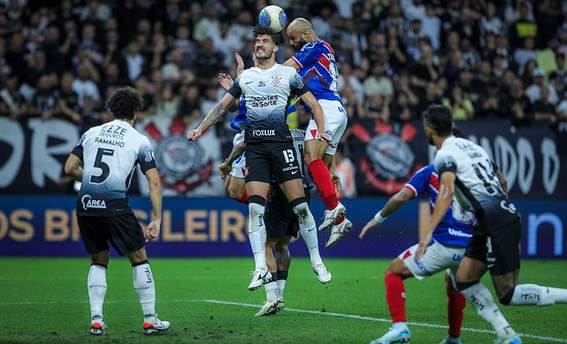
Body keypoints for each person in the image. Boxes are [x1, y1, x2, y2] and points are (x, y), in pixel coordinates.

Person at [188, 27, 332, 290]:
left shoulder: (289, 74)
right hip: (256, 149)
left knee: (300, 207)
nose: (259, 45)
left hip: (282, 146)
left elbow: (315, 105)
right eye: (257, 41)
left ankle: (317, 260)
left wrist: (321, 131)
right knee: (255, 210)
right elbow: (222, 107)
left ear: (275, 48)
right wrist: (200, 128)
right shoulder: (246, 78)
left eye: (265, 41)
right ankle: (259, 269)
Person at [420, 104, 567, 344]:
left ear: (430, 129)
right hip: (498, 217)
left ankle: (513, 332)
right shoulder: (475, 148)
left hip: (493, 222)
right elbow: (503, 182)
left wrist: (428, 233)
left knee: (507, 292)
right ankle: (506, 335)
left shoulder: (444, 155)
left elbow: (446, 191)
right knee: (464, 279)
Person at [63, 87, 169, 336]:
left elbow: (70, 168)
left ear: (111, 109)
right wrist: (156, 219)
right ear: (137, 111)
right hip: (114, 204)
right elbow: (154, 182)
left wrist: (89, 178)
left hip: (86, 203)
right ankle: (150, 319)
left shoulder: (91, 133)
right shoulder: (139, 140)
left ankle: (97, 320)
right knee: (138, 256)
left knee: (98, 259)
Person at [359, 163, 473, 344]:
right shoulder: (474, 172)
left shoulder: (432, 171)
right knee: (453, 285)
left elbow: (402, 196)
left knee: (394, 271)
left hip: (444, 243)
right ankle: (454, 338)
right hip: (470, 247)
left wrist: (378, 218)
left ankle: (399, 328)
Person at [285, 18, 353, 247]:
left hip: (326, 108)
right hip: (334, 110)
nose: (291, 42)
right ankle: (340, 220)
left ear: (306, 33)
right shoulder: (315, 57)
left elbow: (287, 69)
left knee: (309, 155)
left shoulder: (315, 46)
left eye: (293, 37)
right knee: (321, 169)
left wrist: (263, 73)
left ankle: (334, 208)